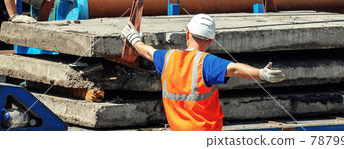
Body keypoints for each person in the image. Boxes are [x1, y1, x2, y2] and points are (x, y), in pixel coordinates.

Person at [121, 13, 286, 131]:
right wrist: (261, 74)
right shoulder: (206, 62)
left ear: (187, 33)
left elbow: (148, 52)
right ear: (209, 40)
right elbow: (235, 69)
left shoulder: (168, 57)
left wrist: (134, 38)